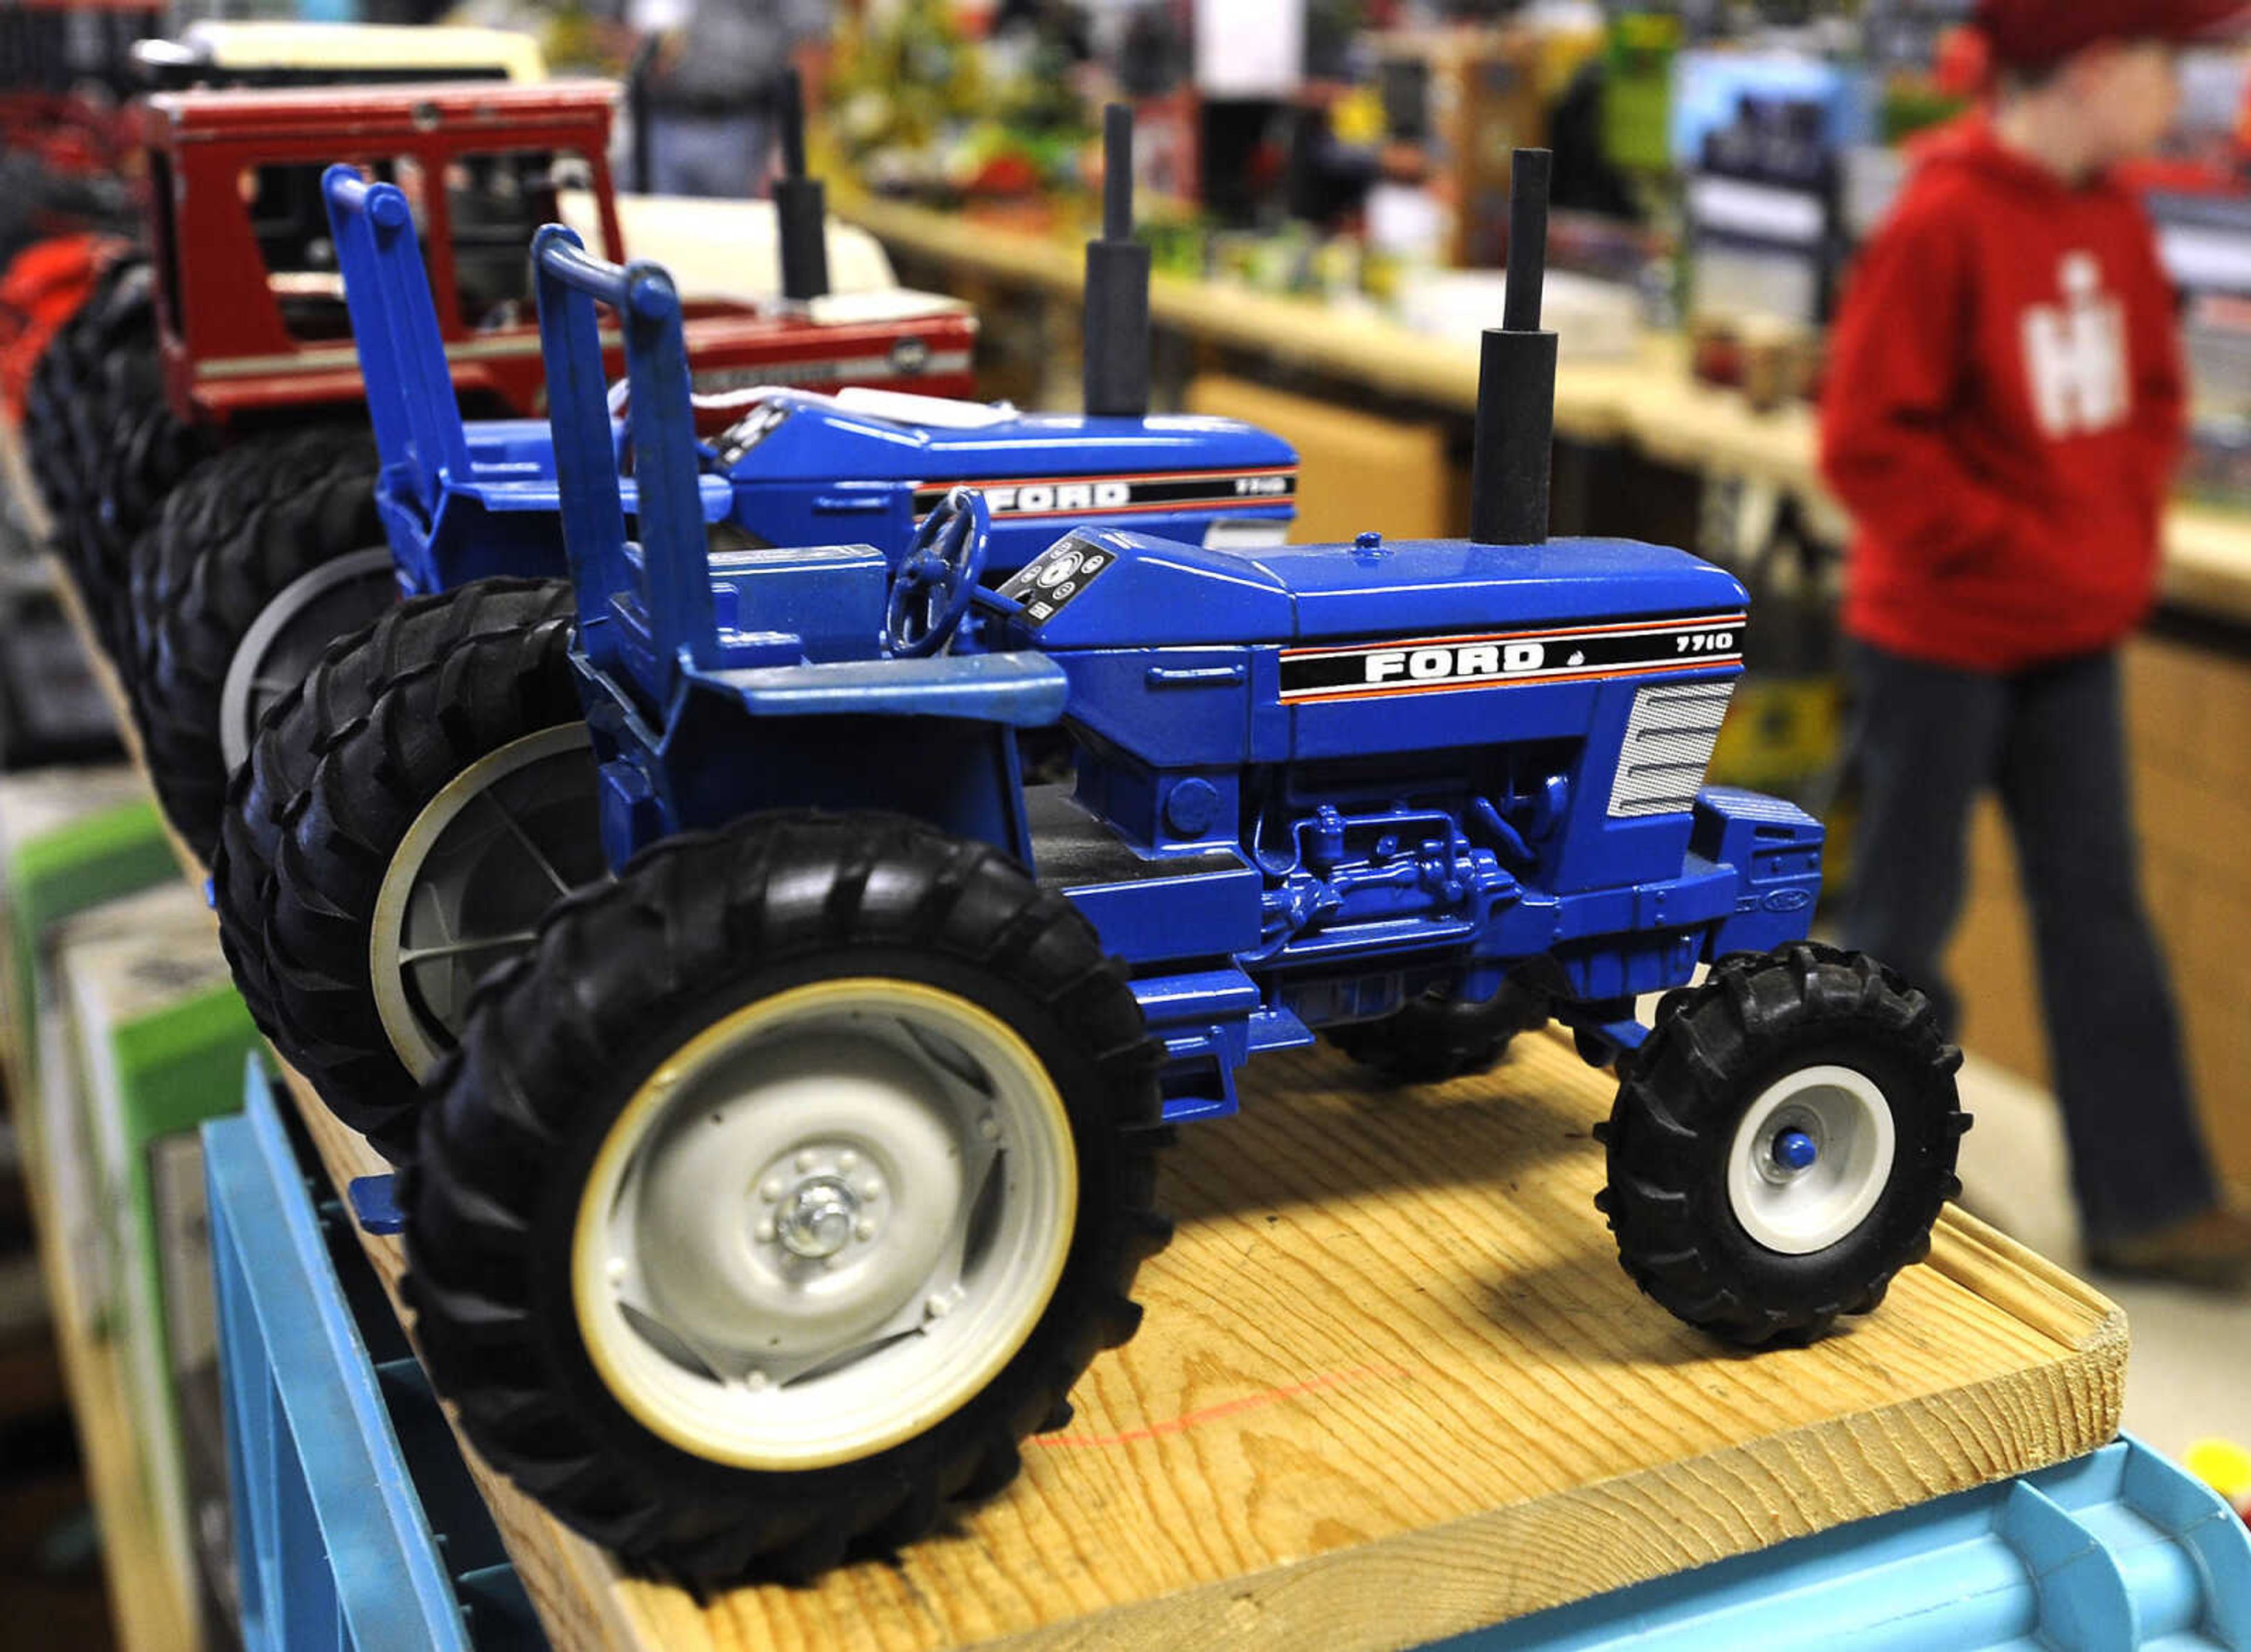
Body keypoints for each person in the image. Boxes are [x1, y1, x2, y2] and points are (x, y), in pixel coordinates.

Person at [1819, 0, 2251, 1284]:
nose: (2185, 95)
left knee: (2099, 909)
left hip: (2069, 634)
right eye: (2171, 67)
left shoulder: (2112, 215)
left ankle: (2148, 1198)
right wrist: (2027, 543)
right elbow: (1867, 444)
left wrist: (2105, 539)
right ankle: (1879, 1188)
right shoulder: (1942, 218)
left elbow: (2149, 394)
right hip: (1940, 633)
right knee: (1902, 921)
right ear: (2101, 67)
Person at [631, 0, 830, 199]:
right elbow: (612, 20)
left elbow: (810, 45)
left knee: (737, 227)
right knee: (653, 225)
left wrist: (784, 151)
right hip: (658, 126)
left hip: (742, 130)